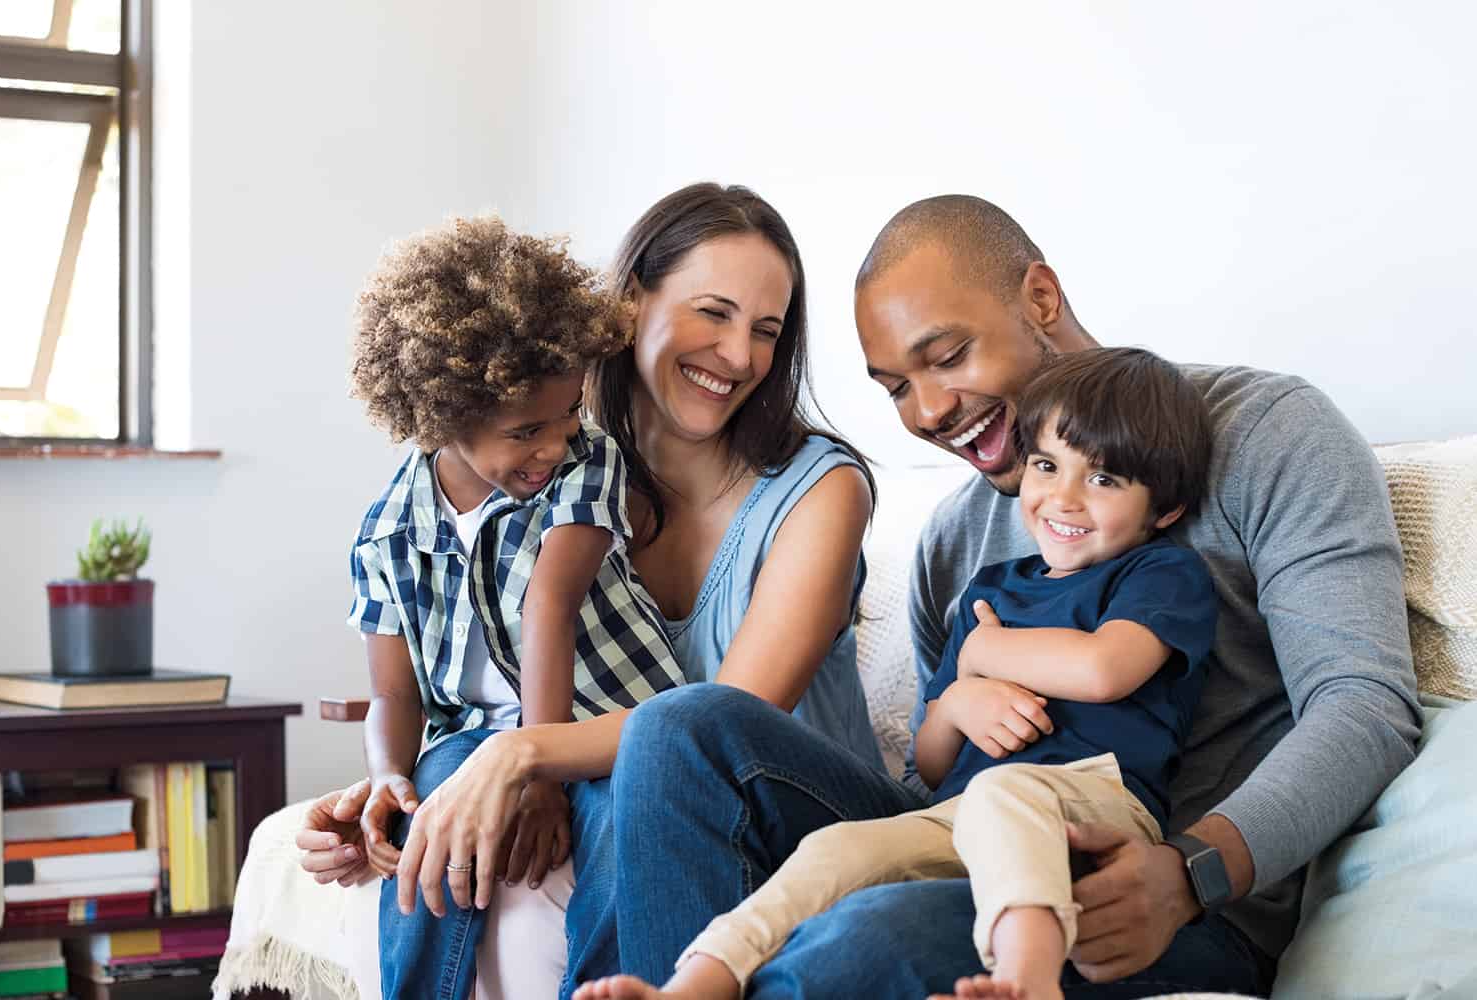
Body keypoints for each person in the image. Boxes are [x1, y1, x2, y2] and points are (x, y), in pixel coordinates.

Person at [588, 195, 1422, 999]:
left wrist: (1193, 871)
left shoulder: (1266, 432)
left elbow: (1364, 704)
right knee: (679, 729)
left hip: (1160, 893)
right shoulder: (955, 541)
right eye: (895, 388)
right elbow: (933, 772)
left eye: (948, 357)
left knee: (865, 936)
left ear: (1042, 298)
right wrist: (960, 703)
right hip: (973, 844)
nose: (930, 411)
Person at [294, 183, 888, 999]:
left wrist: (520, 755)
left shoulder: (819, 491)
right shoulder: (545, 475)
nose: (742, 356)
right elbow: (470, 670)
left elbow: (714, 729)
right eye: (713, 312)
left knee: (663, 755)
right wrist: (402, 789)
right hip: (628, 786)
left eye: (765, 331)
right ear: (631, 301)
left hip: (792, 812)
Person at [574, 346, 1218, 1000]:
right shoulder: (989, 591)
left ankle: (1028, 980)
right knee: (836, 853)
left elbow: (1106, 669)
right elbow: (933, 762)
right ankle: (692, 985)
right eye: (1048, 466)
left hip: (1093, 805)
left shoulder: (1157, 573)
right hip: (964, 814)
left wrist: (982, 656)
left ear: (1162, 510)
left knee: (1005, 796)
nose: (1065, 498)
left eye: (1104, 481)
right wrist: (958, 703)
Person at [337, 215, 690, 998]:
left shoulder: (584, 464)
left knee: (621, 826)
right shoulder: (389, 532)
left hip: (610, 726)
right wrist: (388, 777)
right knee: (428, 811)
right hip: (474, 738)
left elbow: (549, 607)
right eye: (527, 430)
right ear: (442, 417)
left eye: (568, 416)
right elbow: (393, 692)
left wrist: (540, 777)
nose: (556, 445)